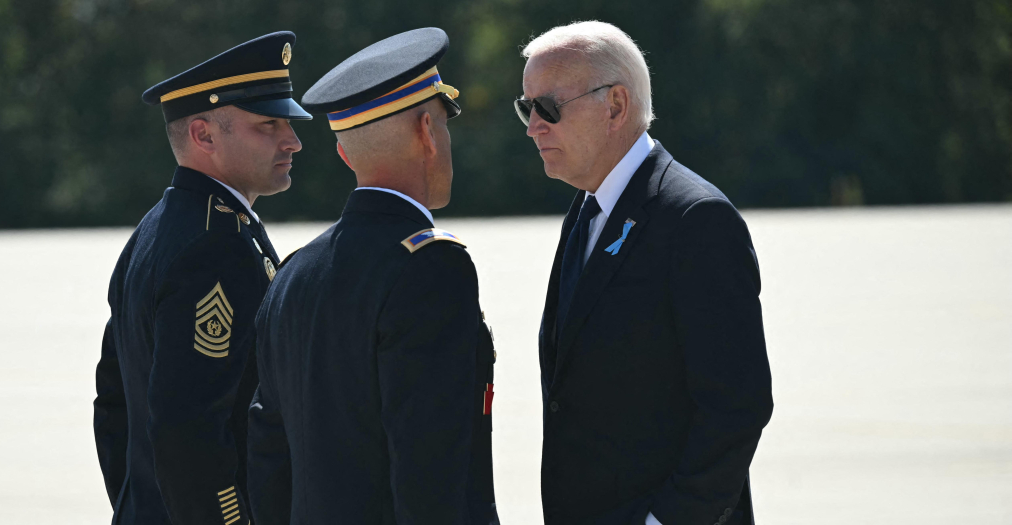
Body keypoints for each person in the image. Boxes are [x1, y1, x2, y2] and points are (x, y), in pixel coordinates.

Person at [518, 21, 774, 525]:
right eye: (525, 109)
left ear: (615, 105)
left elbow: (736, 407)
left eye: (547, 107)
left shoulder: (695, 219)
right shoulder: (587, 209)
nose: (533, 126)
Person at [247, 27, 498, 525]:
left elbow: (267, 458)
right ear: (427, 130)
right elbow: (430, 472)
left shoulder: (294, 272)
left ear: (345, 154)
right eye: (445, 125)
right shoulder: (431, 265)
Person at [93, 31, 311, 525]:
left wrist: (139, 505)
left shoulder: (159, 227)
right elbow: (186, 429)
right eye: (269, 124)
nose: (293, 140)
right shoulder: (215, 246)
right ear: (203, 135)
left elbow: (114, 408)